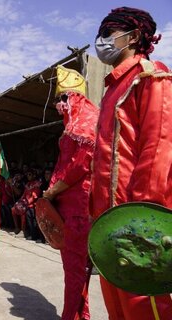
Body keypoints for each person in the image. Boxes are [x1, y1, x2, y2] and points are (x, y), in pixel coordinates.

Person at [90, 7, 172, 319]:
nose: (101, 42)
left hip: (136, 223)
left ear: (133, 36)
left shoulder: (150, 77)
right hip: (109, 221)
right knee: (117, 307)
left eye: (107, 35)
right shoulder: (111, 90)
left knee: (145, 306)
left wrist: (140, 220)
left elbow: (158, 148)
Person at [42, 65, 99, 320]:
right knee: (76, 271)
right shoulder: (75, 122)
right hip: (69, 204)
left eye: (60, 99)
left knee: (75, 272)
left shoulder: (85, 119)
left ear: (71, 97)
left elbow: (81, 164)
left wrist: (53, 190)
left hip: (78, 207)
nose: (58, 105)